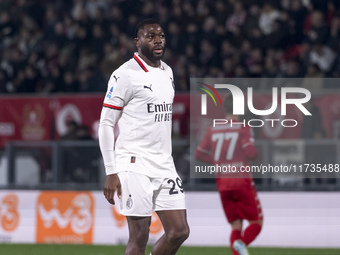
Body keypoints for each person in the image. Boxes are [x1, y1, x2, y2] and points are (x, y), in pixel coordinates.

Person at [98, 19, 189, 255]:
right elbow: (106, 124)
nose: (158, 39)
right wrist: (111, 170)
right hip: (134, 164)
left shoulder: (168, 72)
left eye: (161, 35)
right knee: (139, 236)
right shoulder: (125, 75)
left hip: (164, 164)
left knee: (179, 231)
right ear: (137, 42)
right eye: (150, 36)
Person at [195, 95, 263, 255]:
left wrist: (218, 162)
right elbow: (251, 153)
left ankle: (238, 249)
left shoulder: (213, 129)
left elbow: (199, 154)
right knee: (256, 222)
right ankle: (241, 243)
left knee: (235, 226)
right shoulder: (243, 127)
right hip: (241, 181)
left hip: (223, 183)